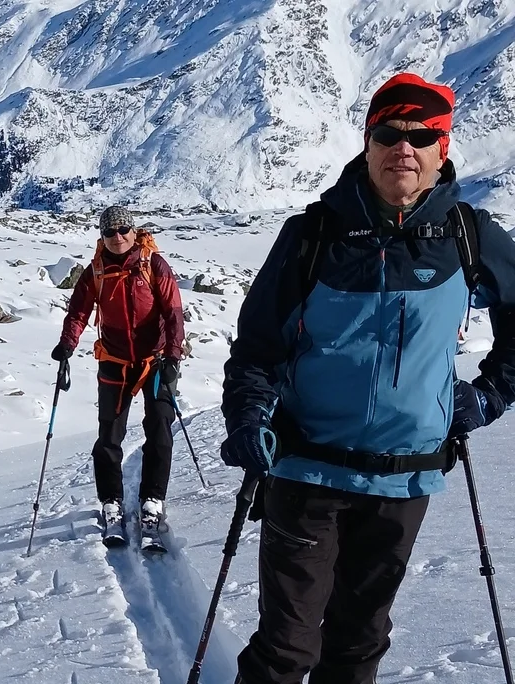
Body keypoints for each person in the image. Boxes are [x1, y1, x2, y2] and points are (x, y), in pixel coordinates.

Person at [219, 72, 515, 683]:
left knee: (357, 646)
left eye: (421, 136)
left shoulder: (467, 236)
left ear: (442, 150)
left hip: (405, 480)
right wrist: (248, 416)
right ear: (367, 143)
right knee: (286, 650)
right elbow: (258, 347)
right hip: (306, 470)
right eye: (388, 133)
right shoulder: (314, 233)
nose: (403, 147)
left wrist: (489, 395)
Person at [51, 205, 186, 544]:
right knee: (109, 435)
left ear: (133, 231)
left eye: (123, 229)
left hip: (155, 360)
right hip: (114, 360)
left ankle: (152, 500)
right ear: (102, 236)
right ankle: (111, 502)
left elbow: (173, 311)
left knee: (160, 427)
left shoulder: (153, 264)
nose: (117, 237)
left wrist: (173, 355)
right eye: (109, 232)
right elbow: (78, 312)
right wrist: (67, 345)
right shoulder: (96, 271)